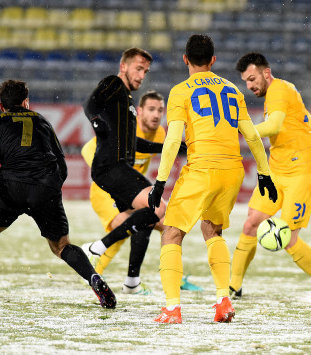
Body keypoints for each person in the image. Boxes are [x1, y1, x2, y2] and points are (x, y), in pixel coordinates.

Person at [0, 80, 116, 309]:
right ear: (26, 102)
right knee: (61, 246)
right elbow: (61, 161)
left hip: (12, 188)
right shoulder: (42, 121)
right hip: (45, 187)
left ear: (1, 105)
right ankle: (93, 278)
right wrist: (54, 187)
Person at [148, 34, 277, 324]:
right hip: (232, 171)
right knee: (213, 231)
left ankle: (171, 308)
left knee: (171, 233)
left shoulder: (181, 91)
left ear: (185, 59)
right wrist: (264, 173)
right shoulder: (233, 89)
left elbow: (172, 141)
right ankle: (222, 300)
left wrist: (159, 182)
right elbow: (253, 137)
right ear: (213, 60)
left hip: (202, 168)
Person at [229, 52, 311, 302]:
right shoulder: (285, 93)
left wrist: (240, 129)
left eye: (252, 78)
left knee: (288, 238)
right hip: (277, 171)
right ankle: (234, 287)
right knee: (251, 223)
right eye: (246, 81)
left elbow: (274, 126)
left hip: (301, 174)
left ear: (267, 73)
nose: (249, 86)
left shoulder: (279, 92)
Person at [81, 90, 202, 294]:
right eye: (151, 109)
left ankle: (171, 277)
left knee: (168, 226)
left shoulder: (161, 133)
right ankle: (93, 275)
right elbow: (87, 150)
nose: (156, 115)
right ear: (139, 111)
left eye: (160, 110)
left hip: (134, 191)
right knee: (124, 227)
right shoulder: (126, 127)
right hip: (106, 192)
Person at [82, 48, 183, 287]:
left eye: (145, 71)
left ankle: (132, 281)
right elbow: (90, 104)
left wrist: (174, 147)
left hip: (115, 168)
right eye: (138, 68)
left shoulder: (126, 99)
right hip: (110, 167)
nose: (141, 75)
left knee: (146, 220)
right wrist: (97, 123)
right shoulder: (114, 84)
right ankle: (100, 245)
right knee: (157, 206)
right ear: (124, 66)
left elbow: (134, 143)